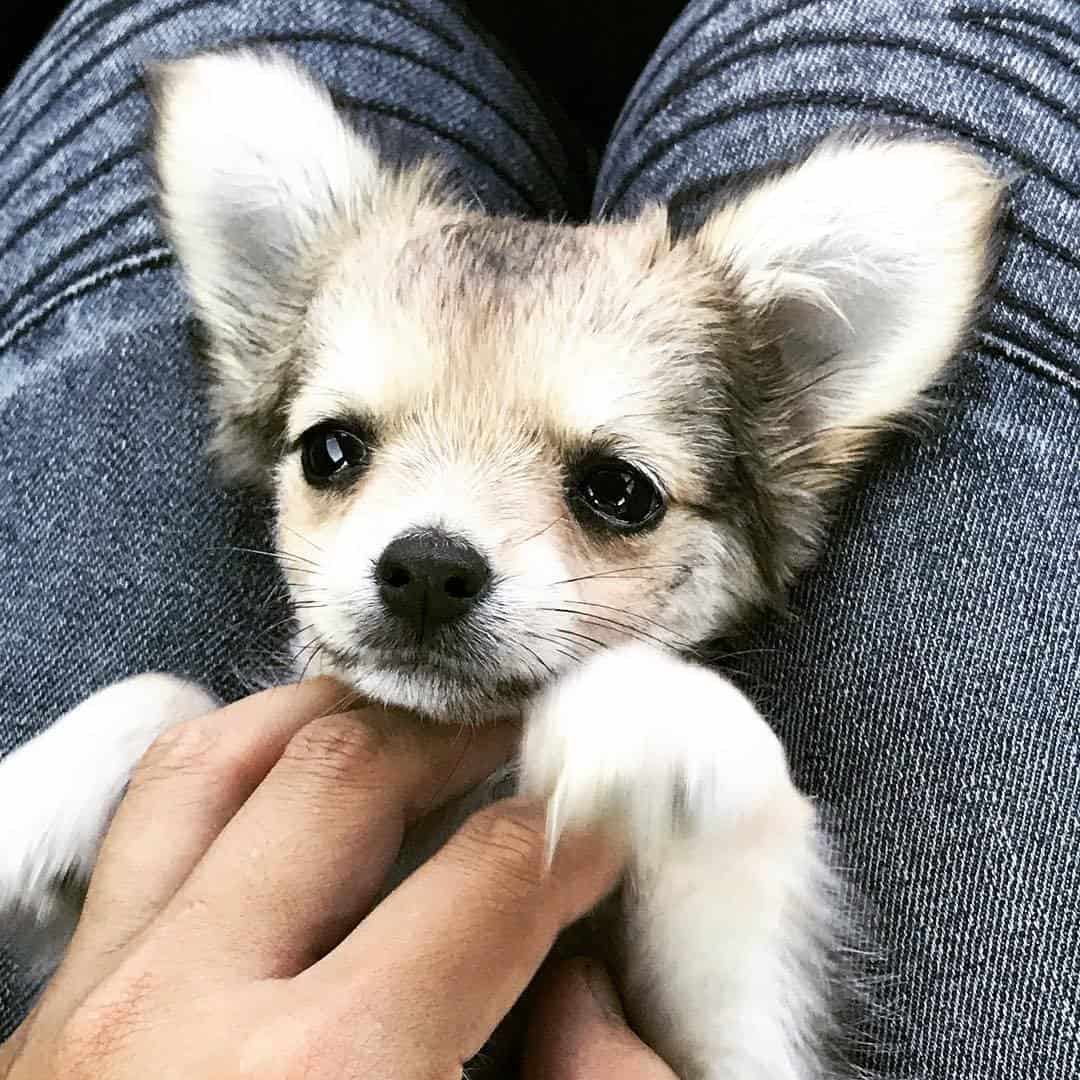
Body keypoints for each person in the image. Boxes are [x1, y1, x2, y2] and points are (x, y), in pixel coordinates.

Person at [0, 0, 1076, 1076]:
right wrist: (136, 739)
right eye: (338, 454)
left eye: (613, 491)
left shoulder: (655, 738)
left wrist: (701, 768)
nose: (431, 554)